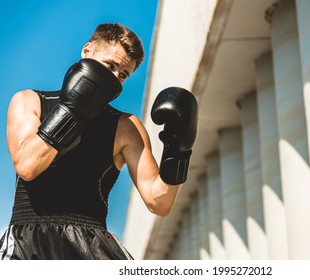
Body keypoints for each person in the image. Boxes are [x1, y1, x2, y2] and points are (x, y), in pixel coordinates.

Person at [0, 23, 198, 260]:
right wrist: (72, 110)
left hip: (91, 247)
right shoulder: (30, 101)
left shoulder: (126, 126)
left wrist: (179, 152)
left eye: (123, 74)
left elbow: (159, 202)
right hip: (26, 243)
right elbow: (27, 166)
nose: (114, 78)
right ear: (87, 52)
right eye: (109, 66)